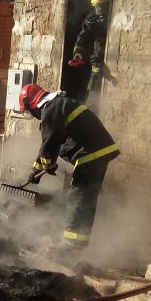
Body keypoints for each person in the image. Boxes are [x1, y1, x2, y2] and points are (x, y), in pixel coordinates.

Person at [19, 83, 119, 260]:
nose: (33, 116)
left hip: (91, 152)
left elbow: (50, 142)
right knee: (85, 197)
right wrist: (36, 169)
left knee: (79, 194)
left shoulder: (51, 109)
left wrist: (47, 165)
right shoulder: (58, 105)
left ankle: (72, 244)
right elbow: (50, 144)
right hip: (96, 151)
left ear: (31, 104)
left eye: (29, 111)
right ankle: (78, 244)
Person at [68, 0, 111, 103]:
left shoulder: (115, 15)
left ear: (108, 5)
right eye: (96, 6)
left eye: (101, 6)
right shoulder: (92, 19)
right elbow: (83, 36)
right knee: (94, 92)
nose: (98, 9)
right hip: (97, 61)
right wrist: (78, 52)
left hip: (110, 60)